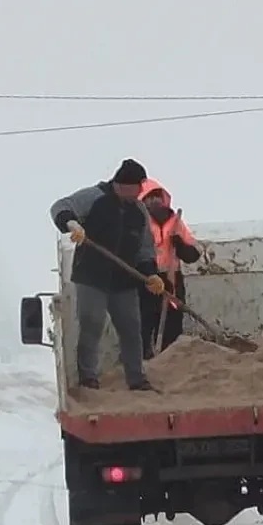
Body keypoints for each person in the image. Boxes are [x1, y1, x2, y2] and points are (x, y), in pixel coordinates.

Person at [49, 158, 166, 392]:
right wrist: (72, 224)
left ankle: (137, 379)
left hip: (124, 281)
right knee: (92, 324)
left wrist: (151, 273)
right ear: (122, 184)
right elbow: (59, 207)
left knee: (132, 329)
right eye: (137, 186)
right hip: (92, 277)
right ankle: (88, 378)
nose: (140, 192)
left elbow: (145, 247)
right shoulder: (94, 197)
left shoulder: (138, 210)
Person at [138, 177, 201, 356]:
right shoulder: (139, 222)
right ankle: (145, 359)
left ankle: (170, 358)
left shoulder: (175, 221)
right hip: (146, 278)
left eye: (158, 196)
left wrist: (179, 244)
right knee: (144, 320)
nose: (155, 201)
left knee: (173, 321)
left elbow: (193, 254)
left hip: (172, 278)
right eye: (150, 197)